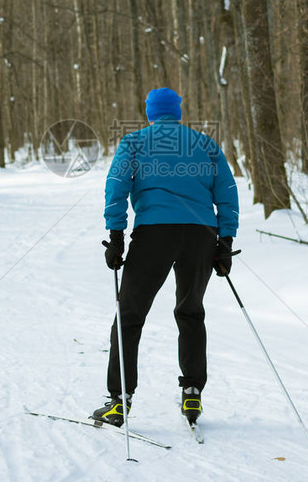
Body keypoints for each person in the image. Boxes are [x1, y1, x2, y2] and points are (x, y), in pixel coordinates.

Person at [91, 87, 239, 427]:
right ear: (178, 112)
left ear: (150, 112)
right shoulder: (205, 144)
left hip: (154, 234)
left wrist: (116, 237)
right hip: (200, 235)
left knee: (129, 315)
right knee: (190, 312)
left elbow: (116, 187)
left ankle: (119, 400)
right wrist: (225, 242)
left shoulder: (134, 142)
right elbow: (227, 193)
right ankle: (192, 391)